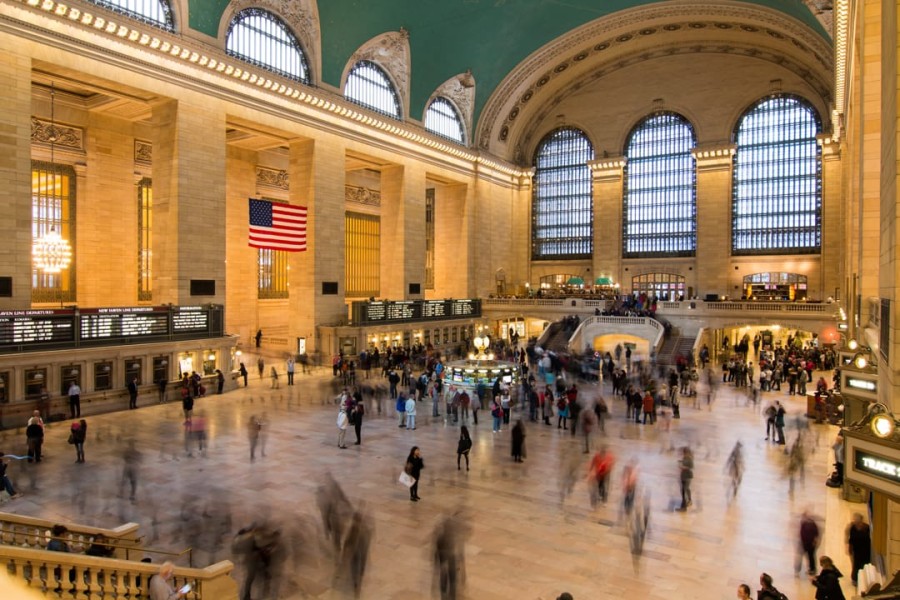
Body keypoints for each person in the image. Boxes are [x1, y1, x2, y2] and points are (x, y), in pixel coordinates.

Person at [847, 513, 872, 586]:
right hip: (857, 550)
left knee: (865, 565)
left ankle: (865, 580)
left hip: (866, 550)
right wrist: (850, 548)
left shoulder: (867, 528)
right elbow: (851, 539)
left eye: (857, 521)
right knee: (856, 565)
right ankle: (855, 579)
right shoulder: (853, 528)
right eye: (855, 521)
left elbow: (870, 540)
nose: (856, 523)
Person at [797, 510, 821, 576]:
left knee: (808, 557)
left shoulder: (808, 524)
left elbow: (815, 534)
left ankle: (810, 569)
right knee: (810, 557)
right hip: (807, 544)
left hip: (808, 544)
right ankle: (811, 569)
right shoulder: (807, 523)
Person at [677, 446, 693, 511]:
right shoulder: (684, 458)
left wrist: (683, 467)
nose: (683, 453)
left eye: (683, 452)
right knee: (684, 491)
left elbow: (691, 467)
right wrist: (680, 465)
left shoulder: (689, 459)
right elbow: (681, 465)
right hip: (683, 476)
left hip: (688, 477)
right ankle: (686, 504)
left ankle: (684, 507)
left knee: (684, 491)